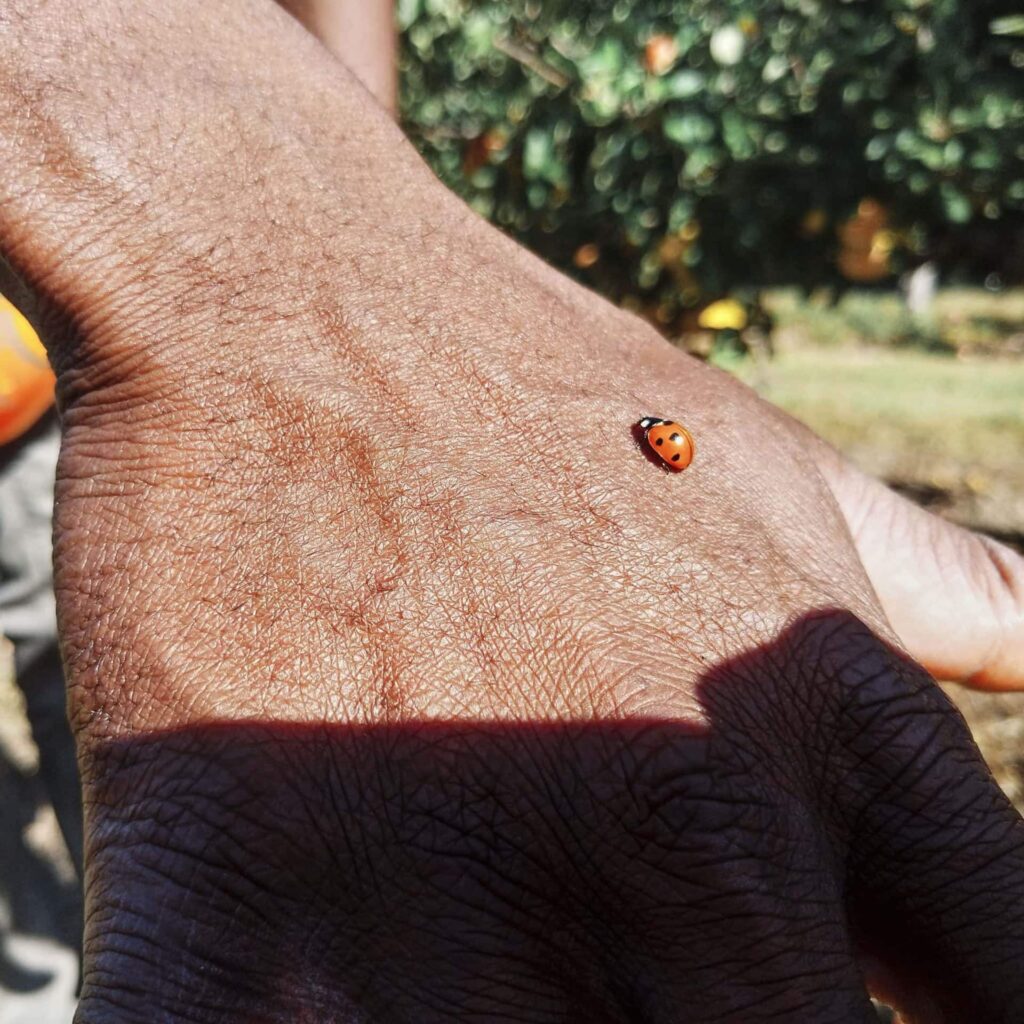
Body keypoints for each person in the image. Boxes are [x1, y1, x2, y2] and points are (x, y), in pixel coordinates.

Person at [0, 2, 1022, 1021]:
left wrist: (367, 226)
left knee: (116, 765)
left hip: (42, 391)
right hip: (80, 345)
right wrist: (307, 272)